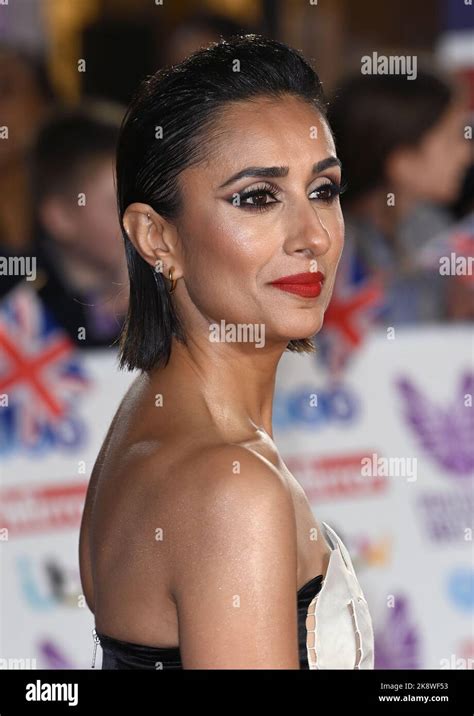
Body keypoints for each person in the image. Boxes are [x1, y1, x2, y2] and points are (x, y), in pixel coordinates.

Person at [79, 34, 375, 670]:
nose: (314, 236)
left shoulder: (151, 419)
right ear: (156, 237)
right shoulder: (232, 488)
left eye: (323, 189)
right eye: (257, 198)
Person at [326, 70, 471, 325]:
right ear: (403, 162)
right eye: (451, 139)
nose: (466, 153)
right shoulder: (334, 252)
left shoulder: (432, 227)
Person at [15, 101, 128, 348]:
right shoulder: (16, 304)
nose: (142, 217)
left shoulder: (173, 288)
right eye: (117, 203)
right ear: (61, 218)